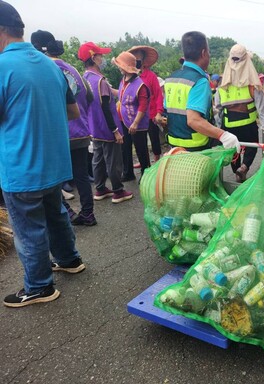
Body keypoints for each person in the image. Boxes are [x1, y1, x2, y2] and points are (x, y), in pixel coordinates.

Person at [0, 1, 85, 307]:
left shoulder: (2, 67)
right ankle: (69, 259)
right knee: (55, 214)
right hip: (55, 163)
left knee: (28, 229)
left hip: (22, 166)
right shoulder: (50, 65)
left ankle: (39, 286)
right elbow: (73, 111)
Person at [31, 30, 97, 226]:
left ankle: (67, 212)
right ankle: (88, 214)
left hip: (59, 132)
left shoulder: (42, 68)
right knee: (81, 175)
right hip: (82, 130)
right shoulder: (73, 69)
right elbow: (90, 96)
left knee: (53, 176)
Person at [163, 31, 240, 153]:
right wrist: (223, 135)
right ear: (204, 53)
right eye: (208, 52)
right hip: (196, 149)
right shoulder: (199, 81)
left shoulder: (172, 78)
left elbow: (169, 112)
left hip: (174, 148)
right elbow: (193, 120)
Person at [79, 42, 133, 204]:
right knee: (113, 160)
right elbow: (105, 107)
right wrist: (115, 130)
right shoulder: (100, 80)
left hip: (94, 127)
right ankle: (118, 190)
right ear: (93, 58)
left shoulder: (85, 78)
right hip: (107, 127)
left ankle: (100, 188)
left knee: (98, 158)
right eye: (100, 55)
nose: (102, 57)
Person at [216, 44, 263, 182]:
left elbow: (218, 107)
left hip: (229, 125)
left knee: (232, 149)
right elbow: (262, 108)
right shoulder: (252, 84)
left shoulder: (223, 85)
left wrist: (220, 127)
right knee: (252, 146)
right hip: (249, 125)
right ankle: (244, 167)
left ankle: (236, 170)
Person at [112, 51, 151, 182]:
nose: (118, 68)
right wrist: (110, 90)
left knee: (141, 149)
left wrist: (135, 123)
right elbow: (122, 95)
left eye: (120, 65)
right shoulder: (124, 80)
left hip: (137, 123)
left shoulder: (140, 85)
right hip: (124, 121)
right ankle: (128, 172)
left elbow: (143, 106)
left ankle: (146, 173)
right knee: (125, 147)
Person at [128, 45, 165, 168]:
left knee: (154, 139)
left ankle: (157, 161)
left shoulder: (150, 76)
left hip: (151, 114)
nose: (137, 61)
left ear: (143, 60)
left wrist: (159, 112)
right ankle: (145, 163)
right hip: (137, 115)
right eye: (135, 59)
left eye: (139, 59)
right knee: (140, 143)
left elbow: (159, 95)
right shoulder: (130, 77)